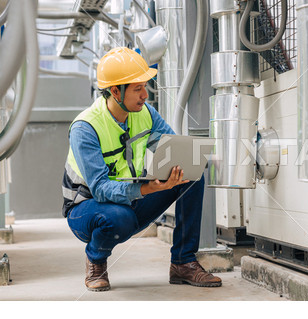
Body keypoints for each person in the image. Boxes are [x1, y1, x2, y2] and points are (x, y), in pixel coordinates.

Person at [61, 47, 222, 291]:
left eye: (145, 86)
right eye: (138, 88)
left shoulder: (145, 113)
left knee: (191, 174)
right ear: (116, 91)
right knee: (118, 218)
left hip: (131, 200)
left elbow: (176, 148)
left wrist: (181, 167)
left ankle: (183, 262)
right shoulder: (85, 128)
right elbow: (101, 188)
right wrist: (147, 188)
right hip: (87, 209)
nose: (145, 95)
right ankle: (96, 259)